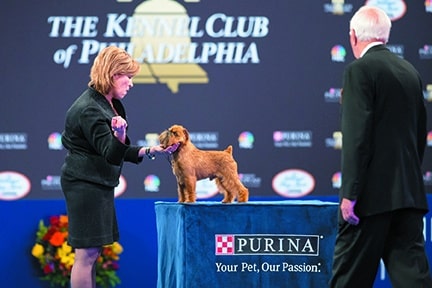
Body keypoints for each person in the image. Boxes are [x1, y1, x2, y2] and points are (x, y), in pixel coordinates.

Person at [329, 6, 432, 288]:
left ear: (353, 37)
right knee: (414, 280)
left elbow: (356, 137)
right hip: (408, 196)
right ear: (385, 35)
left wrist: (350, 194)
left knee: (348, 280)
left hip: (368, 202)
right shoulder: (410, 71)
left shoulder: (359, 71)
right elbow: (419, 135)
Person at [60, 46, 169, 288]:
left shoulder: (111, 104)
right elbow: (111, 152)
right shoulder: (90, 108)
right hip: (84, 185)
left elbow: (117, 150)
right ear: (112, 75)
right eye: (128, 77)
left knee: (92, 252)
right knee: (85, 255)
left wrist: (150, 151)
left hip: (97, 183)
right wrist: (119, 135)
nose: (131, 83)